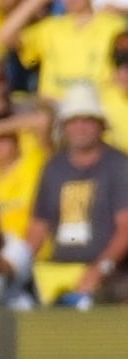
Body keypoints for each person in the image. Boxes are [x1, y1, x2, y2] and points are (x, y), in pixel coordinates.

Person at [27, 84, 128, 306]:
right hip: (58, 271)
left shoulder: (120, 166)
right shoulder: (53, 168)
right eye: (73, 121)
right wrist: (21, 265)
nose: (80, 127)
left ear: (101, 125)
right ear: (64, 127)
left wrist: (100, 269)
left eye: (87, 120)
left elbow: (125, 229)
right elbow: (38, 226)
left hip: (111, 273)